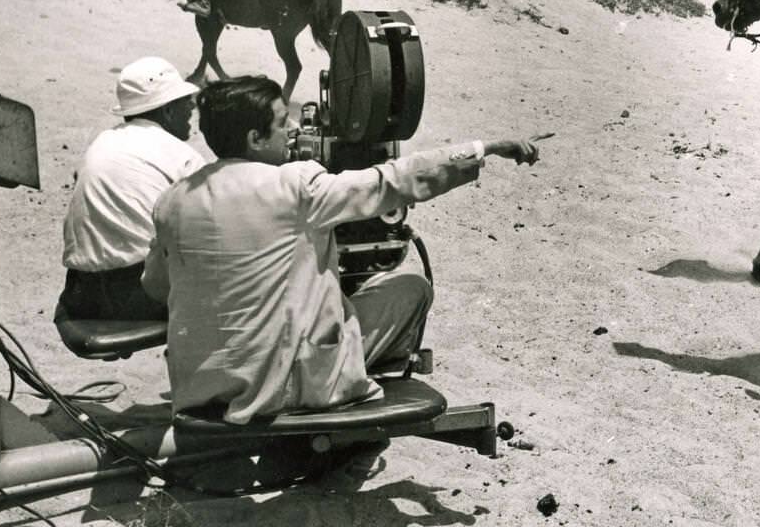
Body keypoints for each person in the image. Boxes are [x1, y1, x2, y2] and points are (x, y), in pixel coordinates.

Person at [143, 75, 543, 426]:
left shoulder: (172, 200)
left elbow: (157, 289)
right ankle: (351, 413)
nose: (294, 129)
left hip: (201, 387)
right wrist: (484, 148)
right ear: (255, 138)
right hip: (286, 389)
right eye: (284, 123)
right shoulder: (296, 186)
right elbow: (394, 180)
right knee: (410, 288)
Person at [59, 57, 203, 321]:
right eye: (185, 102)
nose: (192, 106)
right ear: (168, 112)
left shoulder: (103, 140)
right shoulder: (182, 156)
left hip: (81, 294)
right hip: (137, 298)